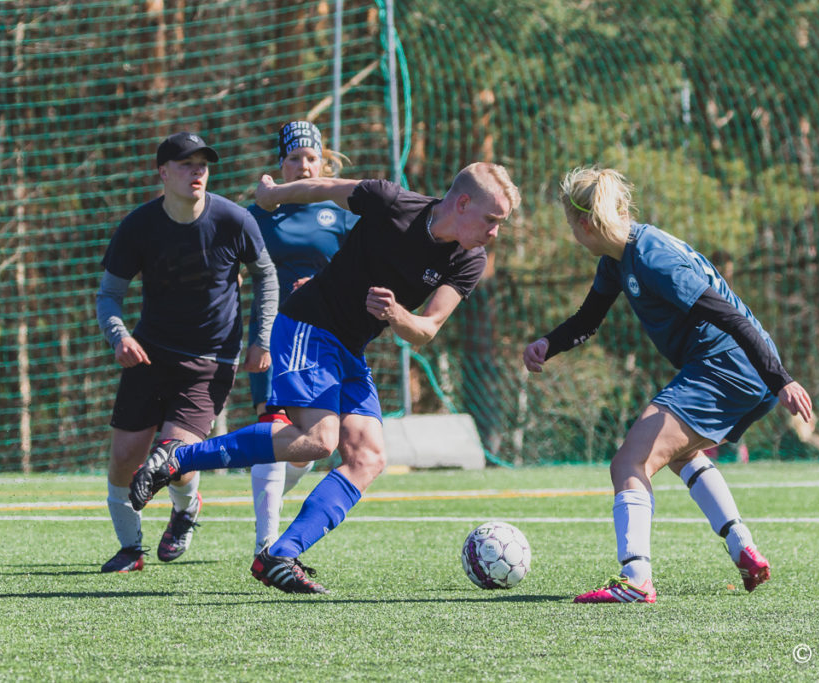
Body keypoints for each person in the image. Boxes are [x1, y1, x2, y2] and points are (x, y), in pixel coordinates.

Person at [129, 162, 521, 593]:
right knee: (318, 439)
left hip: (349, 350)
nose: (494, 233)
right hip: (307, 325)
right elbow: (324, 187)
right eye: (491, 220)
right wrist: (273, 195)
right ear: (462, 203)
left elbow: (426, 330)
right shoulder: (392, 202)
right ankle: (178, 458)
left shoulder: (470, 259)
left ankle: (279, 556)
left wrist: (396, 315)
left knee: (368, 459)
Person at [522, 167, 812, 603]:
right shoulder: (619, 259)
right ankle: (743, 548)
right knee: (681, 453)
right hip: (735, 369)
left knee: (628, 464)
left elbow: (729, 316)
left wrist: (781, 378)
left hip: (728, 367)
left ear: (581, 224)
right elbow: (589, 319)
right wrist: (550, 343)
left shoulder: (655, 257)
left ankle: (636, 579)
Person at [95, 132, 278, 573]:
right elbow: (108, 295)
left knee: (173, 457)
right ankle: (130, 550)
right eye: (185, 164)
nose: (196, 171)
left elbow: (265, 276)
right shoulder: (138, 225)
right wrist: (118, 335)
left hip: (211, 362)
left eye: (202, 164)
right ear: (163, 173)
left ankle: (185, 509)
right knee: (124, 459)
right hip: (149, 355)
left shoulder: (234, 221)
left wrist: (262, 338)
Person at [246, 121, 359, 557]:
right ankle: (266, 545)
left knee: (305, 449)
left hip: (326, 337)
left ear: (324, 161)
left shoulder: (341, 214)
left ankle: (269, 492)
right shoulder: (260, 212)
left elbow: (361, 268)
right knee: (272, 423)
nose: (303, 165)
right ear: (281, 164)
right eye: (294, 158)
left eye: (311, 157)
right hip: (274, 334)